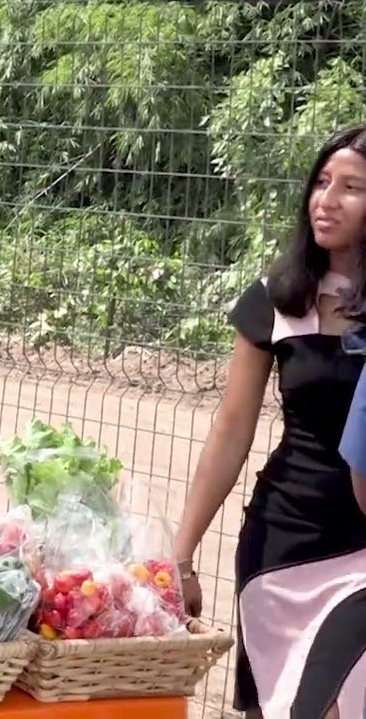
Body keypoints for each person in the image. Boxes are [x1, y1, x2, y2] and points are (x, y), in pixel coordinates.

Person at [175, 125, 366, 719]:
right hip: (282, 541)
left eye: (351, 187)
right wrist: (180, 556)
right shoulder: (276, 300)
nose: (325, 199)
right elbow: (231, 430)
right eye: (320, 182)